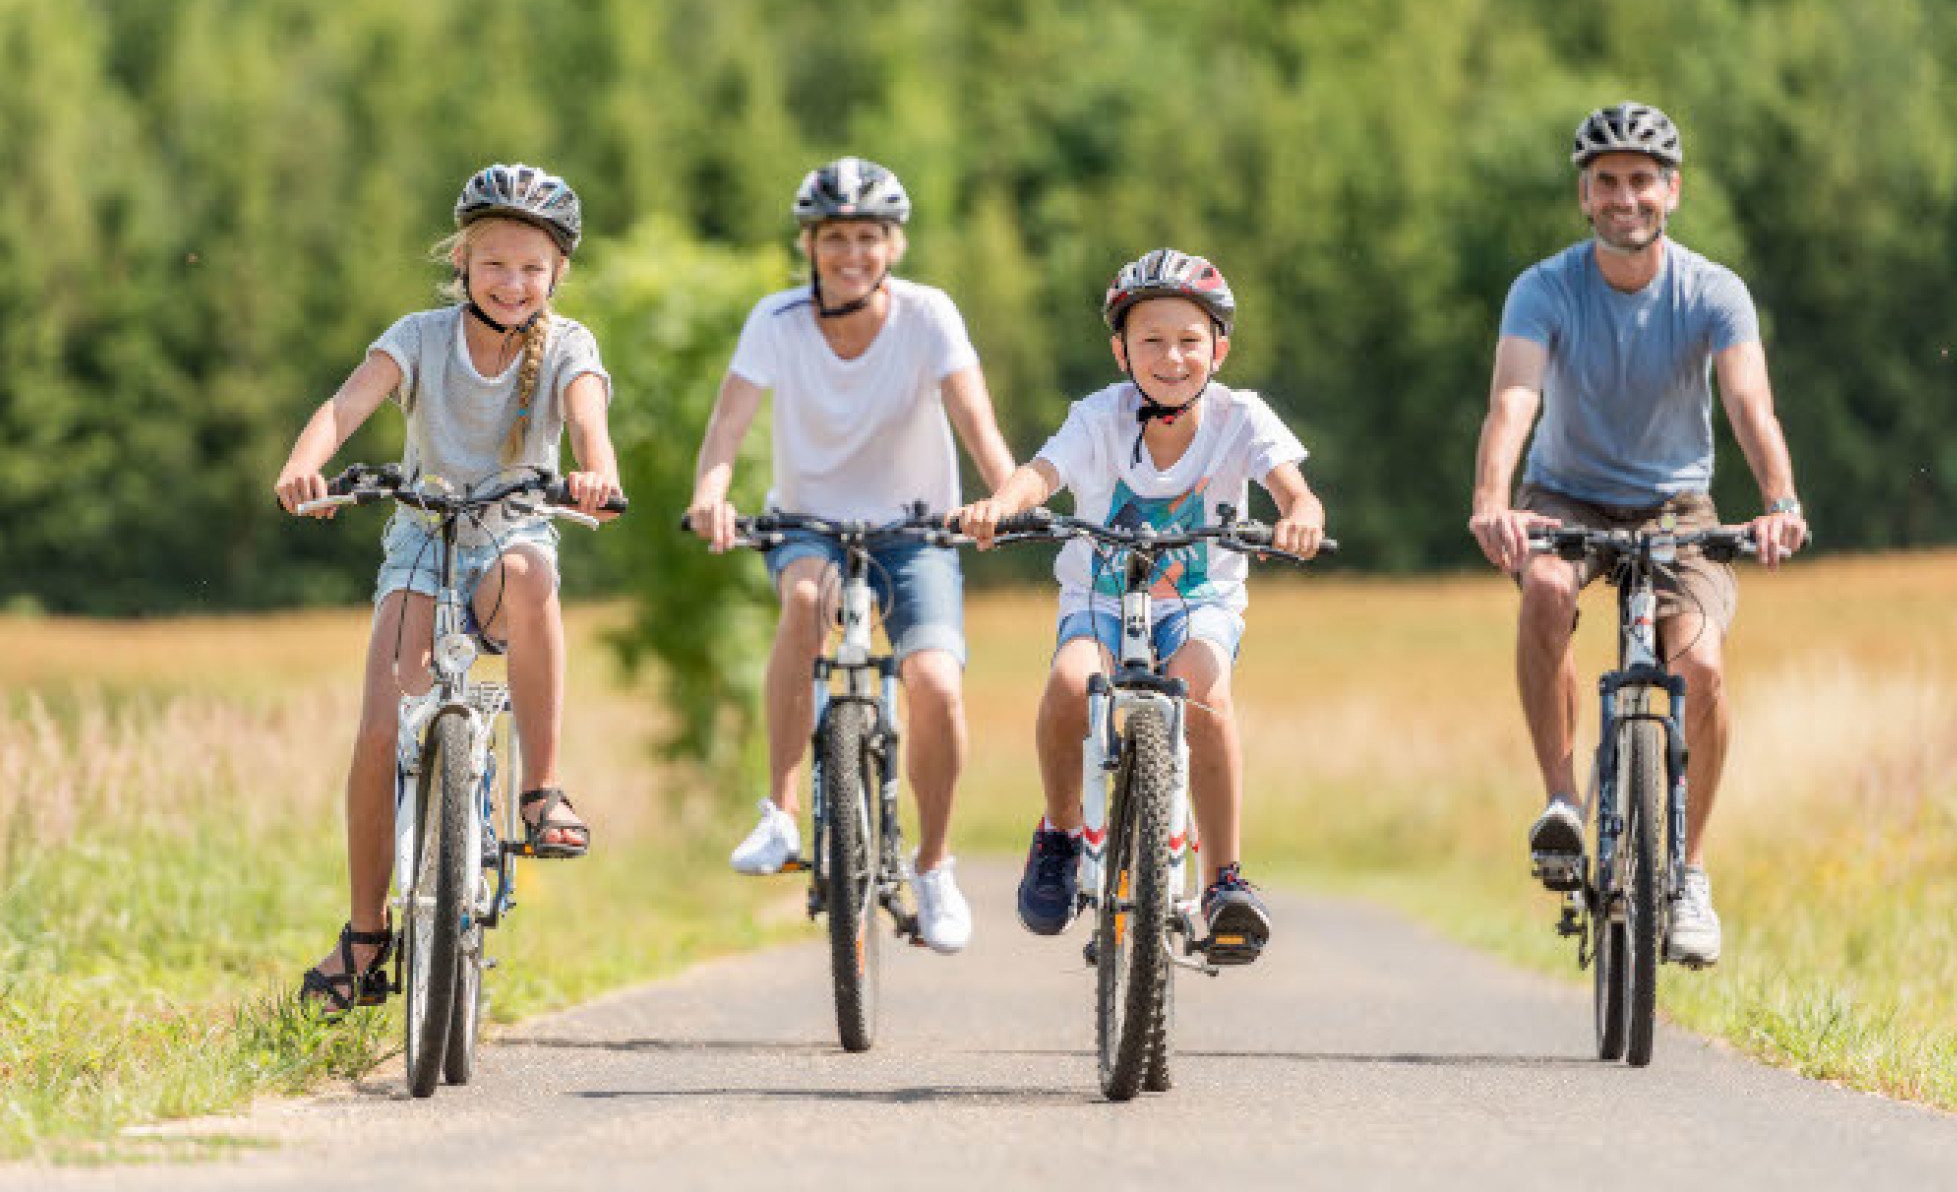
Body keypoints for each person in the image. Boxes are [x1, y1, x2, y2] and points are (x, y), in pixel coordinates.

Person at [274, 163, 623, 1012]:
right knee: (381, 727)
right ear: (461, 261)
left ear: (557, 274)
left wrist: (596, 475)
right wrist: (303, 465)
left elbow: (589, 424)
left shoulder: (568, 347)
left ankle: (540, 791)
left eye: (532, 268)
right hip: (421, 543)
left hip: (511, 543)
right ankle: (366, 938)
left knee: (532, 573)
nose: (512, 282)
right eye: (494, 263)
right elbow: (344, 406)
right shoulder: (420, 337)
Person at [1468, 102, 1808, 966]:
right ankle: (1562, 805)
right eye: (1607, 182)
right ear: (1584, 196)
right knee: (1547, 592)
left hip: (1677, 508)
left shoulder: (1713, 291)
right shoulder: (1544, 288)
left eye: (1642, 181)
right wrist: (1492, 500)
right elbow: (1514, 400)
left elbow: (1749, 405)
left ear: (1672, 191)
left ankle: (1689, 874)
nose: (1626, 198)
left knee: (1702, 668)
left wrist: (1780, 500)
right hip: (1565, 498)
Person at [685, 156, 1017, 955]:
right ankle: (780, 812)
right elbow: (727, 427)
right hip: (809, 525)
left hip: (916, 529)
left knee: (935, 683)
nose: (852, 253)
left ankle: (934, 865)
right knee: (805, 606)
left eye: (869, 237)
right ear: (809, 245)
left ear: (894, 246)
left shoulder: (929, 315)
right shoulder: (776, 320)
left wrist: (1005, 497)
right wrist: (711, 494)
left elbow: (976, 421)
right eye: (835, 237)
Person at [954, 248, 1326, 961]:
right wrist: (1001, 504)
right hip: (1099, 594)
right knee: (1071, 684)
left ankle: (1223, 880)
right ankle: (1061, 834)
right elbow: (1042, 473)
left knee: (1203, 695)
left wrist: (1301, 516)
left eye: (1189, 340)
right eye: (1151, 340)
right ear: (1121, 350)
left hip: (1201, 600)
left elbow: (1295, 491)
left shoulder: (1242, 417)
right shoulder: (1098, 417)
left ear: (1219, 349)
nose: (1172, 357)